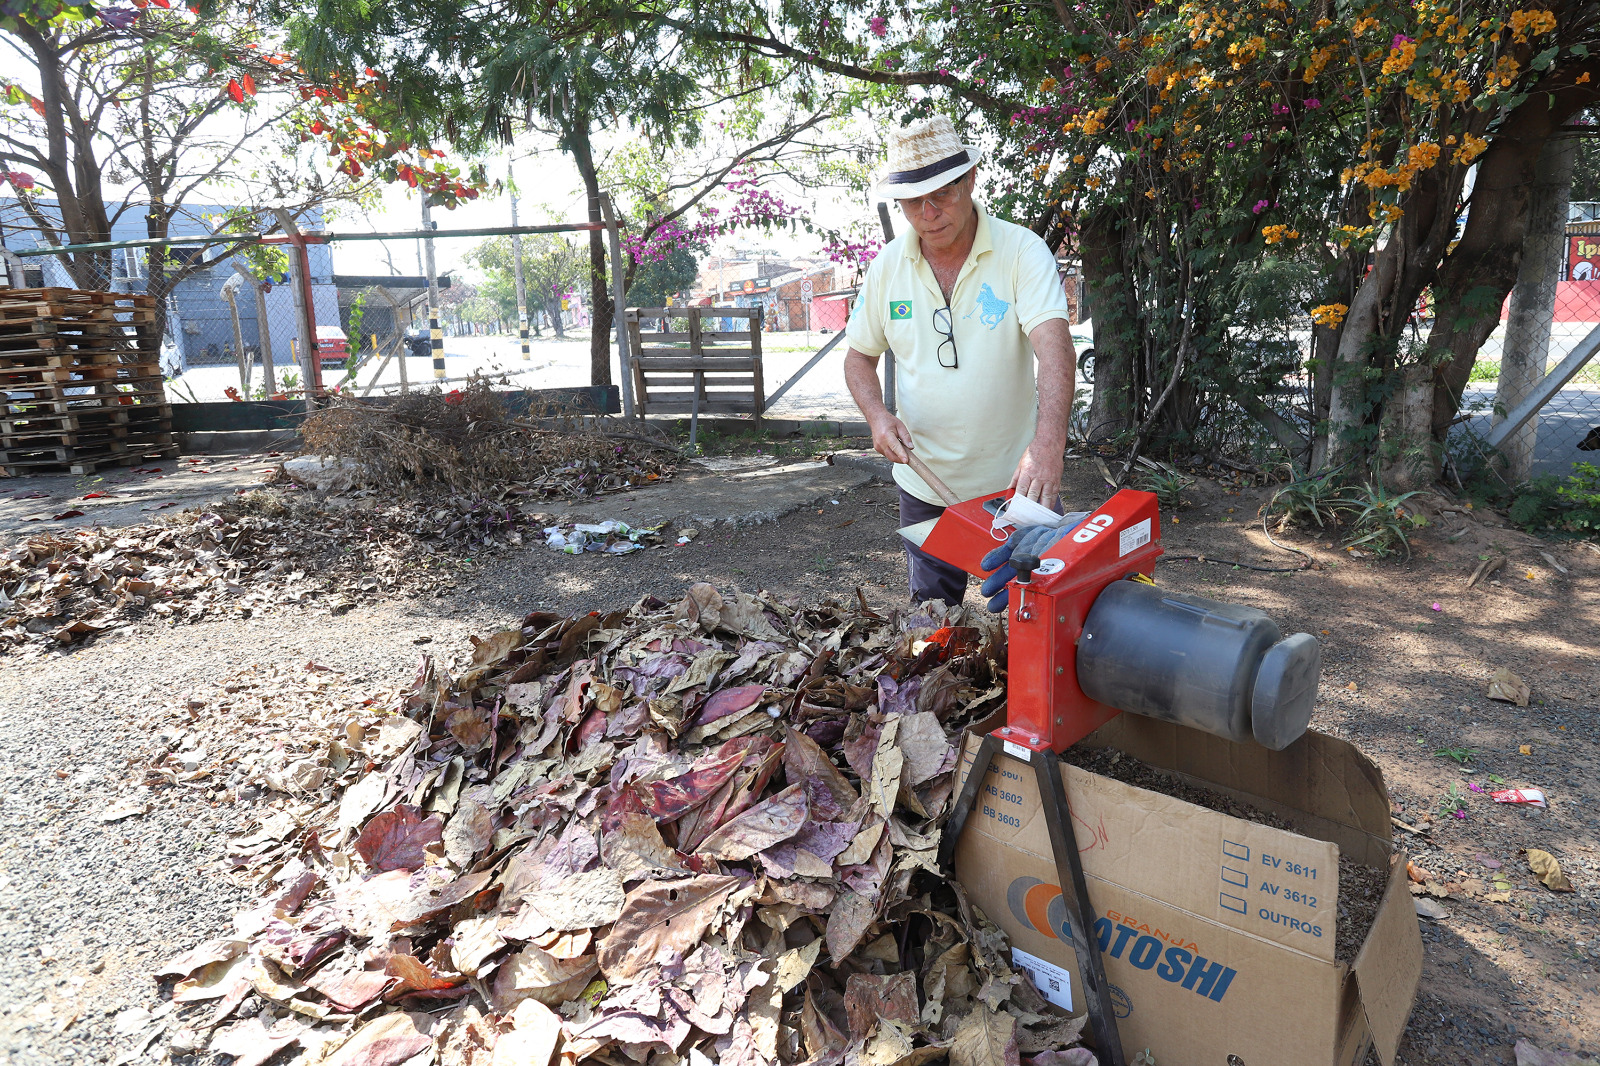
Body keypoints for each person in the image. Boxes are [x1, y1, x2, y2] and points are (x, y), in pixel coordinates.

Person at [843, 115, 1078, 607]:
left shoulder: (1021, 252)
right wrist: (877, 416)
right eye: (913, 200)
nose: (929, 212)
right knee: (934, 627)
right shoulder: (887, 268)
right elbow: (858, 359)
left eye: (944, 193)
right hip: (924, 486)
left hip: (1018, 488)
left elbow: (1054, 347)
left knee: (1036, 617)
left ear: (971, 181)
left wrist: (1049, 441)